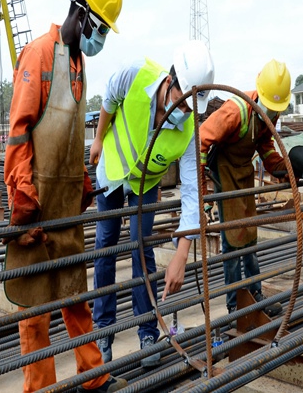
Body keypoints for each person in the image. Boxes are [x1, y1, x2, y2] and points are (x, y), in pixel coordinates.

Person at [3, 0, 126, 393]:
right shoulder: (38, 54)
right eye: (103, 27)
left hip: (66, 206)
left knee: (76, 297)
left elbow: (70, 137)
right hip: (35, 204)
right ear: (83, 13)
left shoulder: (78, 65)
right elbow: (19, 133)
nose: (102, 38)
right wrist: (23, 196)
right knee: (35, 312)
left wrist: (85, 182)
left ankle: (95, 378)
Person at [89, 40, 215, 367]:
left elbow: (192, 192)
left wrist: (183, 252)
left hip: (145, 184)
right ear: (171, 81)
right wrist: (99, 139)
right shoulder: (135, 75)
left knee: (140, 246)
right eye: (182, 102)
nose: (185, 111)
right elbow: (109, 99)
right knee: (106, 243)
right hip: (113, 172)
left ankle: (147, 332)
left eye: (191, 107)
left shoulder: (189, 130)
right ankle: (103, 327)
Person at [199, 59, 290, 318]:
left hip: (244, 174)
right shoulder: (236, 111)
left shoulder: (270, 112)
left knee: (249, 235)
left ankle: (254, 295)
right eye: (270, 107)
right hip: (224, 174)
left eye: (276, 109)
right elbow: (201, 141)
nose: (272, 113)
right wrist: (204, 191)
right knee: (231, 241)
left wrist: (287, 169)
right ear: (259, 92)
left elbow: (267, 149)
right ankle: (234, 305)